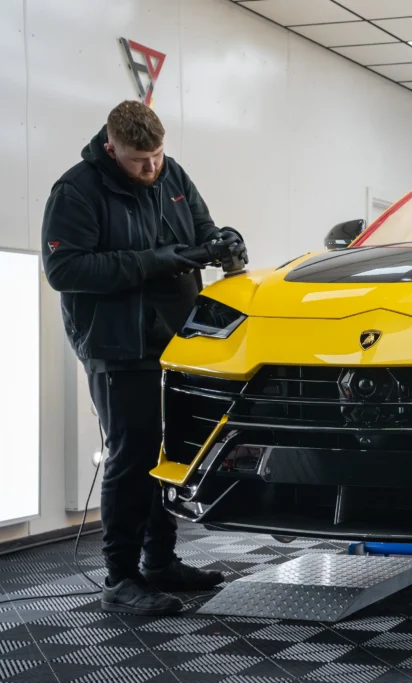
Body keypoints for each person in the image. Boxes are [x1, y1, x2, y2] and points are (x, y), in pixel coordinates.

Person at [41, 100, 244, 615]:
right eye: (139, 161)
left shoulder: (171, 172)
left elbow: (201, 230)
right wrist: (153, 262)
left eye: (156, 156)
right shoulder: (76, 189)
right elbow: (65, 270)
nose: (151, 169)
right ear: (111, 148)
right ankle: (121, 579)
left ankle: (160, 562)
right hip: (116, 343)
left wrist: (221, 242)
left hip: (176, 340)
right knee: (132, 458)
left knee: (171, 451)